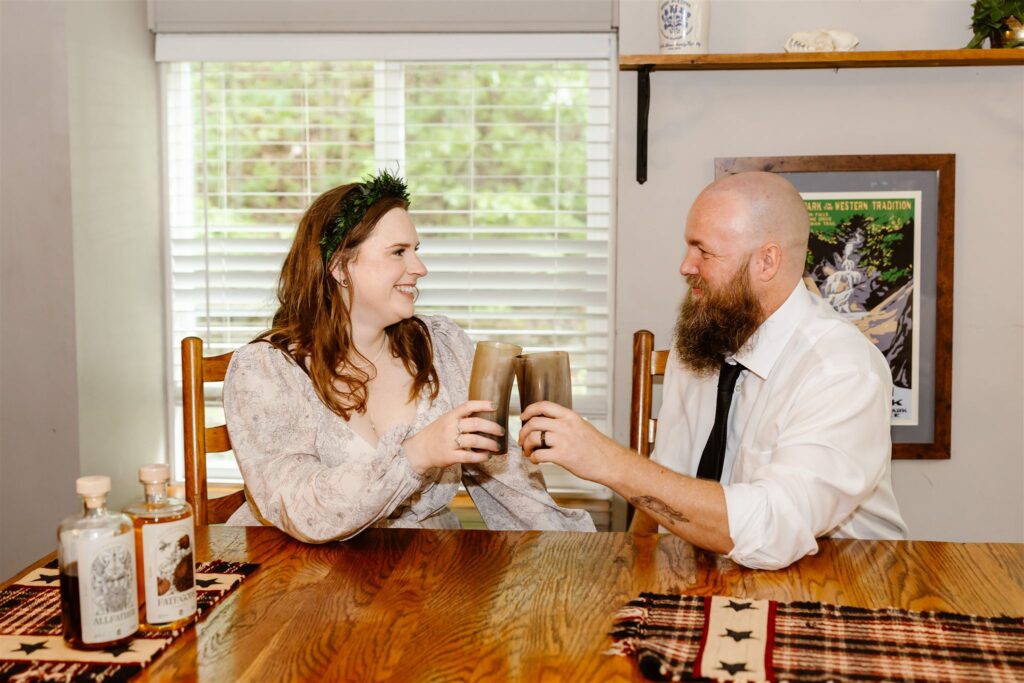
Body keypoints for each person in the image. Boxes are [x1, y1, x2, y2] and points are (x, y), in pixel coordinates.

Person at [519, 171, 907, 570]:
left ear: (767, 261)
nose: (685, 266)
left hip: (843, 590)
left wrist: (609, 461)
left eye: (703, 251)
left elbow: (774, 530)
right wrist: (630, 572)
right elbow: (664, 483)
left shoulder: (841, 370)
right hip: (711, 577)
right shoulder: (703, 342)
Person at [223, 171, 594, 542]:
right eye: (399, 252)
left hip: (423, 567)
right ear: (338, 267)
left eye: (416, 251)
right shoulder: (267, 370)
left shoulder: (441, 348)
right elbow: (299, 507)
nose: (419, 268)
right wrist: (416, 455)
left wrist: (575, 550)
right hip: (297, 572)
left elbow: (506, 479)